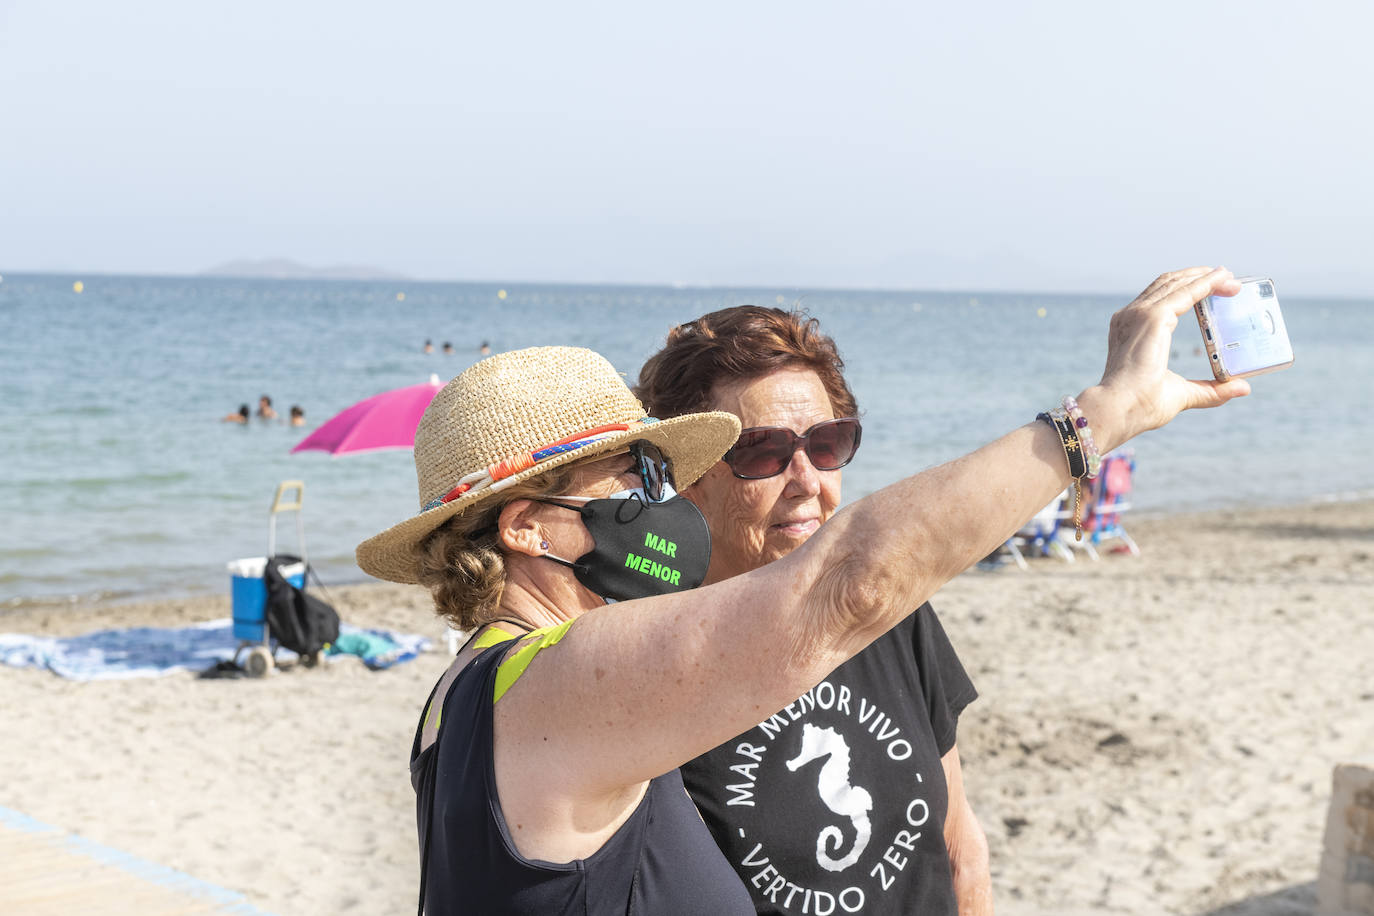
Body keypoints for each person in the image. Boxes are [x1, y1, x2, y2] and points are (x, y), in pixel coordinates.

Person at [356, 267, 1249, 914]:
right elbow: (846, 587)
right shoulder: (551, 684)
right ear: (524, 527)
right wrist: (1102, 417)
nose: (657, 501)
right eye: (632, 476)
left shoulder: (482, 695)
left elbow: (954, 841)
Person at [635, 307, 989, 914]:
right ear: (686, 474)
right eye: (763, 451)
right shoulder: (648, 660)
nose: (805, 479)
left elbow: (958, 848)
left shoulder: (888, 610)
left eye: (826, 445)